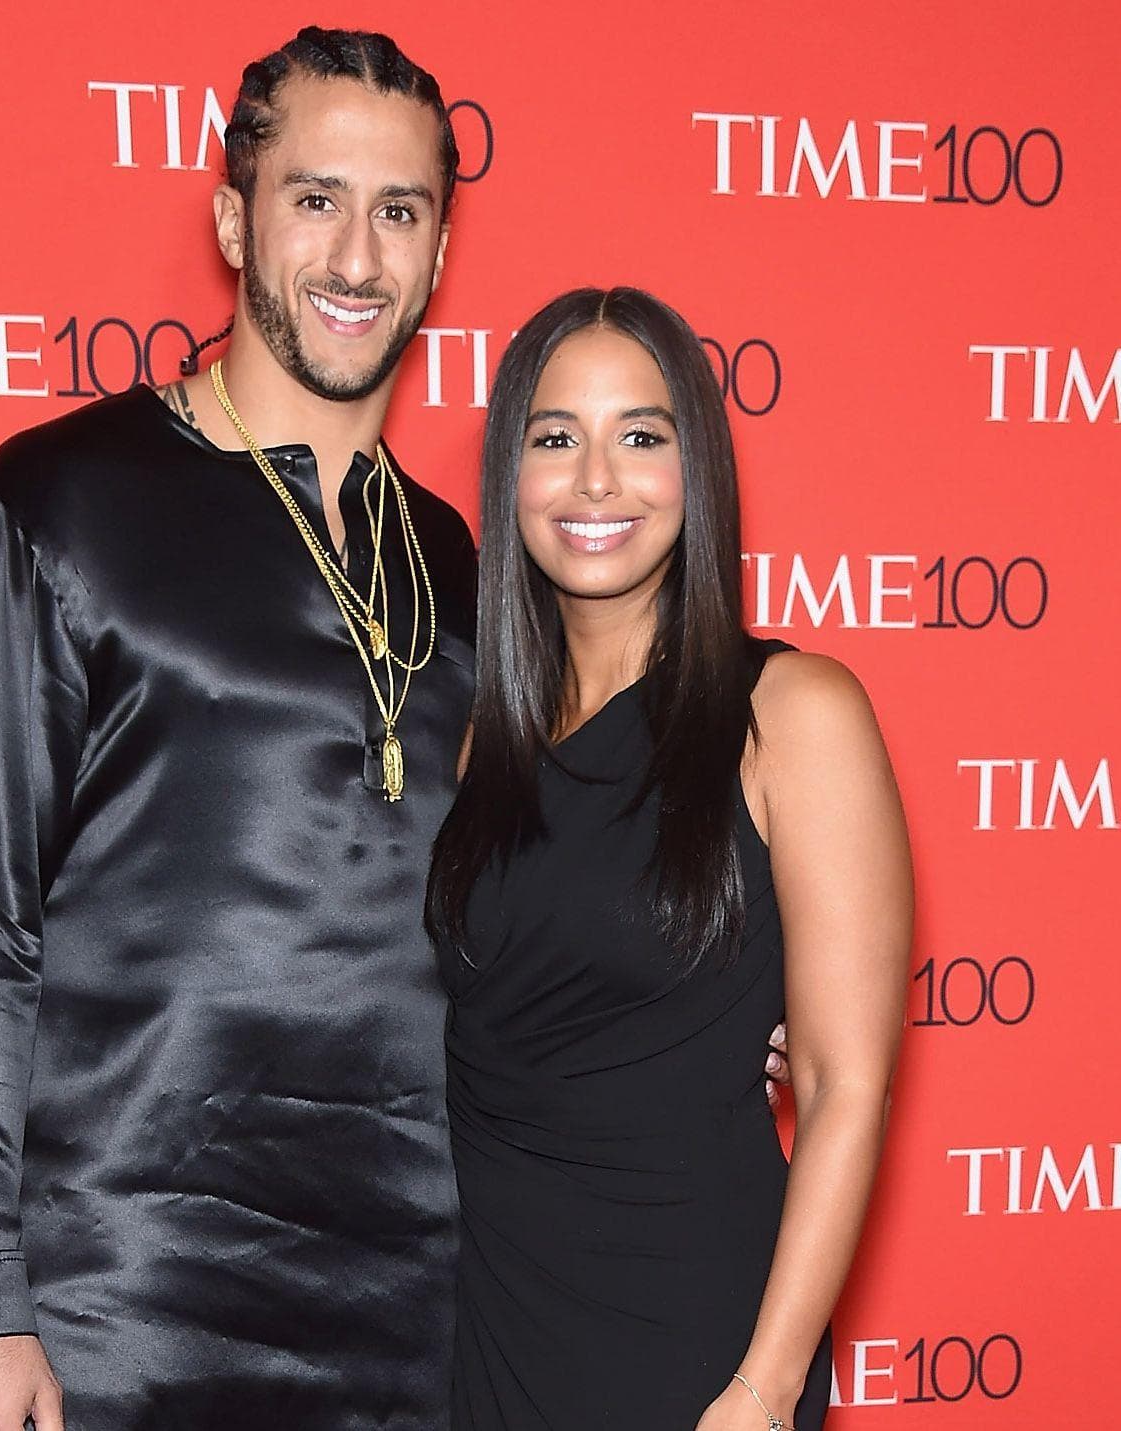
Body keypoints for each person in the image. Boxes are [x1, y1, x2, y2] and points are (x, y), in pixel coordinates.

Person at [0, 28, 477, 1431]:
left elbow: (527, 891)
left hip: (426, 1303)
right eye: (314, 199)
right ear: (232, 220)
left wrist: (716, 1002)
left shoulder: (460, 559)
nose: (356, 257)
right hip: (126, 1300)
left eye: (398, 212)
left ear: (440, 255)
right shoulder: (54, 502)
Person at [426, 288, 912, 1431]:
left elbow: (845, 1086)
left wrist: (764, 1388)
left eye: (641, 437)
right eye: (556, 439)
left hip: (697, 1341)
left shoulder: (794, 713)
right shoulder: (480, 740)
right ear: (509, 475)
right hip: (491, 1328)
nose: (597, 481)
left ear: (698, 468)